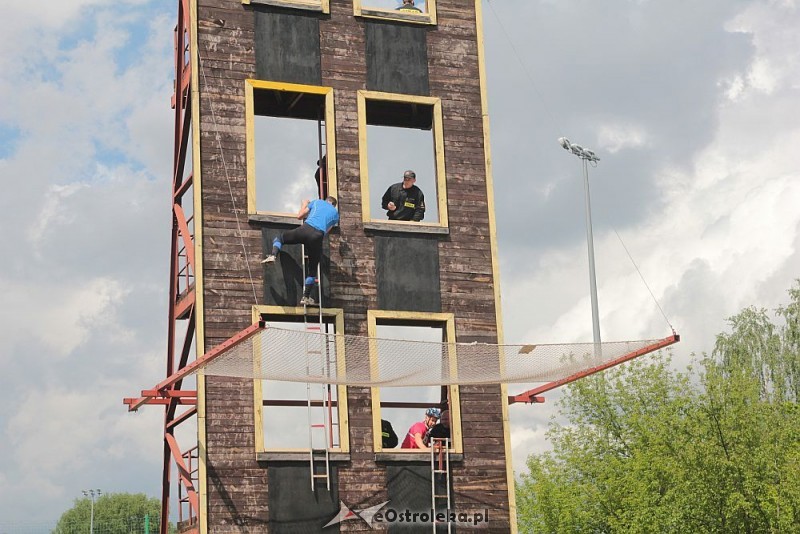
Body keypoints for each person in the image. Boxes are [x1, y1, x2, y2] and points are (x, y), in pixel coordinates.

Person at [261, 196, 339, 306]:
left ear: (326, 200)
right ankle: (306, 297)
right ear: (333, 205)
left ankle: (273, 255)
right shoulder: (336, 215)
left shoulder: (317, 202)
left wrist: (304, 204)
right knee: (312, 271)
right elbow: (326, 231)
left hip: (306, 228)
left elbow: (300, 216)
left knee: (280, 238)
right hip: (317, 236)